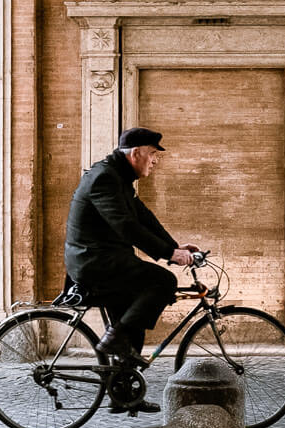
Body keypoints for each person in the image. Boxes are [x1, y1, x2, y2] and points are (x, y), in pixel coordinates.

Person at [63, 127, 198, 412]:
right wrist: (169, 256)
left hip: (106, 260)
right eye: (152, 153)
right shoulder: (104, 179)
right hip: (95, 262)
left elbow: (142, 216)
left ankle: (122, 394)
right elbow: (125, 226)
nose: (155, 160)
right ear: (136, 153)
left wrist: (175, 248)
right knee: (162, 281)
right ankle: (111, 341)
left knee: (132, 324)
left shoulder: (118, 177)